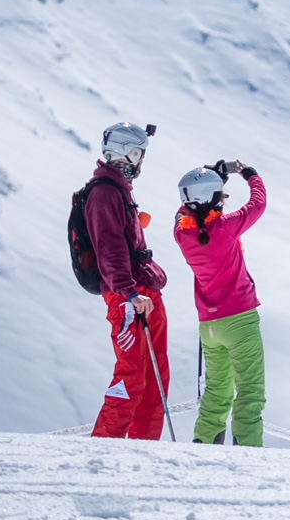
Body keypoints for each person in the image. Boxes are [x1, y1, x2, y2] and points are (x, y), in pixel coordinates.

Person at [173, 159, 269, 446]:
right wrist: (250, 175)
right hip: (239, 321)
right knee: (250, 391)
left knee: (217, 391)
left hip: (209, 327)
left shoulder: (183, 235)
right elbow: (258, 204)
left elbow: (183, 211)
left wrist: (211, 181)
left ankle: (204, 445)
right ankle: (248, 450)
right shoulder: (226, 228)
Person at [86, 121, 172, 440]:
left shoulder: (119, 191)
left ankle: (143, 453)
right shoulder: (104, 193)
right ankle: (103, 449)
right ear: (131, 153)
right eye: (141, 154)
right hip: (129, 297)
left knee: (154, 380)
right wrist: (130, 293)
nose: (142, 161)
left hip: (144, 292)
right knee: (132, 376)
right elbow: (109, 249)